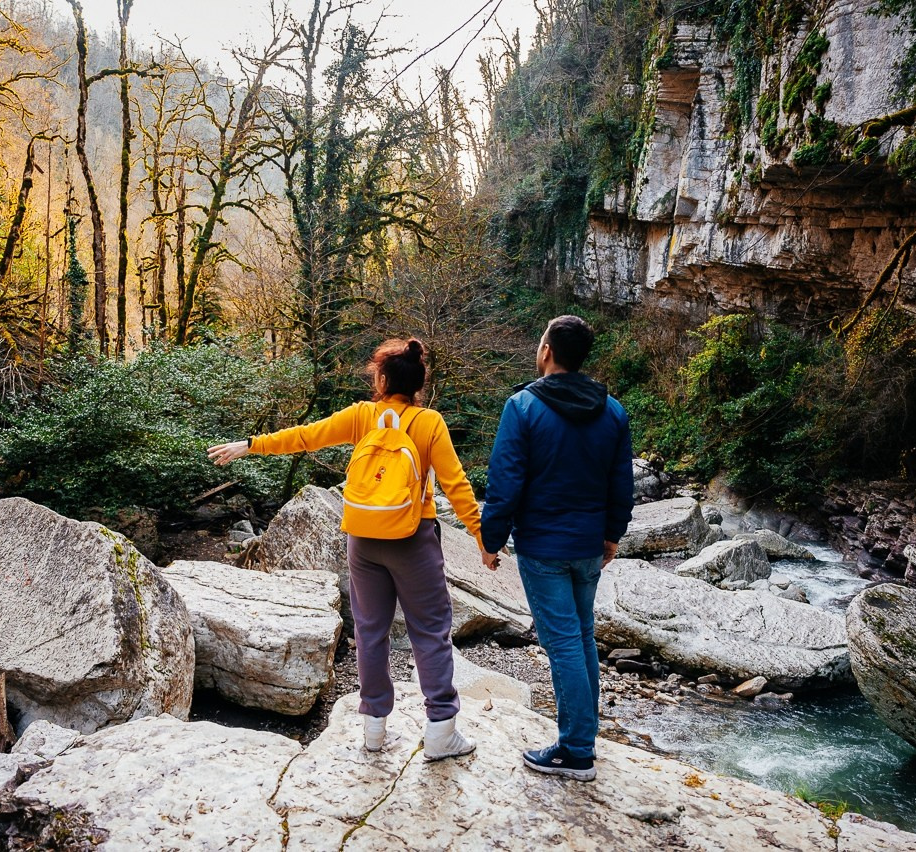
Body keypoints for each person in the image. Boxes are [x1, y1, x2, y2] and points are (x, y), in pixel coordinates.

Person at [207, 338, 482, 761]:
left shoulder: (362, 416)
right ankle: (441, 730)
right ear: (418, 384)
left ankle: (373, 731)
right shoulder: (429, 423)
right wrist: (482, 538)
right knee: (429, 631)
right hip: (412, 538)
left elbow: (305, 437)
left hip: (362, 537)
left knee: (370, 631)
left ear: (384, 379)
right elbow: (457, 485)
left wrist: (251, 444)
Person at [479, 315, 634, 781]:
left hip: (544, 546)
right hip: (589, 545)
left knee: (564, 641)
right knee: (581, 636)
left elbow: (505, 482)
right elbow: (620, 485)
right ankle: (584, 738)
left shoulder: (523, 406)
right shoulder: (613, 411)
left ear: (547, 351)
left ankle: (576, 750)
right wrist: (612, 535)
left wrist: (491, 540)